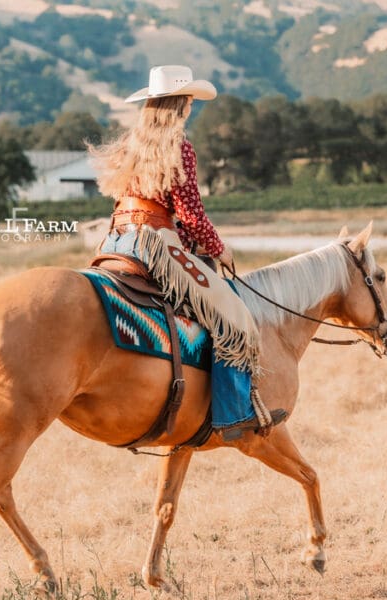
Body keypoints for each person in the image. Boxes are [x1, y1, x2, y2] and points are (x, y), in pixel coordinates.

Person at [88, 65, 273, 438]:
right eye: (188, 100)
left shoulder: (129, 145)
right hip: (154, 243)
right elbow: (190, 214)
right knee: (233, 316)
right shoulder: (179, 146)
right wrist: (218, 249)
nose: (191, 106)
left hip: (115, 240)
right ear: (181, 104)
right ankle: (234, 414)